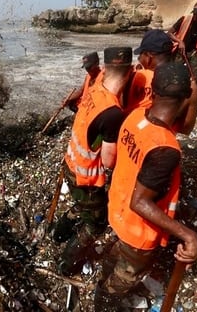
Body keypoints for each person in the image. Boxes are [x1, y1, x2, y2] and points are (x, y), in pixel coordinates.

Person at [94, 62, 197, 309]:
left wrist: (190, 99)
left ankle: (102, 288)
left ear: (152, 92)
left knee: (112, 264)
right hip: (138, 232)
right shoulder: (166, 150)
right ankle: (103, 303)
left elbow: (181, 126)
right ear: (186, 95)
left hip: (118, 213)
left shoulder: (135, 117)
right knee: (119, 284)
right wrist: (188, 235)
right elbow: (140, 202)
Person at [55, 47, 133, 277]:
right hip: (86, 177)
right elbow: (109, 161)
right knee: (95, 224)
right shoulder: (112, 113)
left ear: (105, 69)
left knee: (81, 208)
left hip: (70, 162)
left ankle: (57, 233)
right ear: (128, 73)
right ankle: (66, 264)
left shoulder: (95, 90)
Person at [124, 29, 197, 135]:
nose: (139, 59)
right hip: (161, 142)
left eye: (141, 55)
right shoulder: (189, 85)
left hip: (127, 136)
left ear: (149, 57)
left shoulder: (135, 75)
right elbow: (186, 128)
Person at [167, 0, 197, 110]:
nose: (195, 16)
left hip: (193, 52)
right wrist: (179, 41)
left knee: (196, 76)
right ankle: (176, 98)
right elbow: (169, 33)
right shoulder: (184, 19)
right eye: (194, 13)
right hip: (179, 51)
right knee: (176, 74)